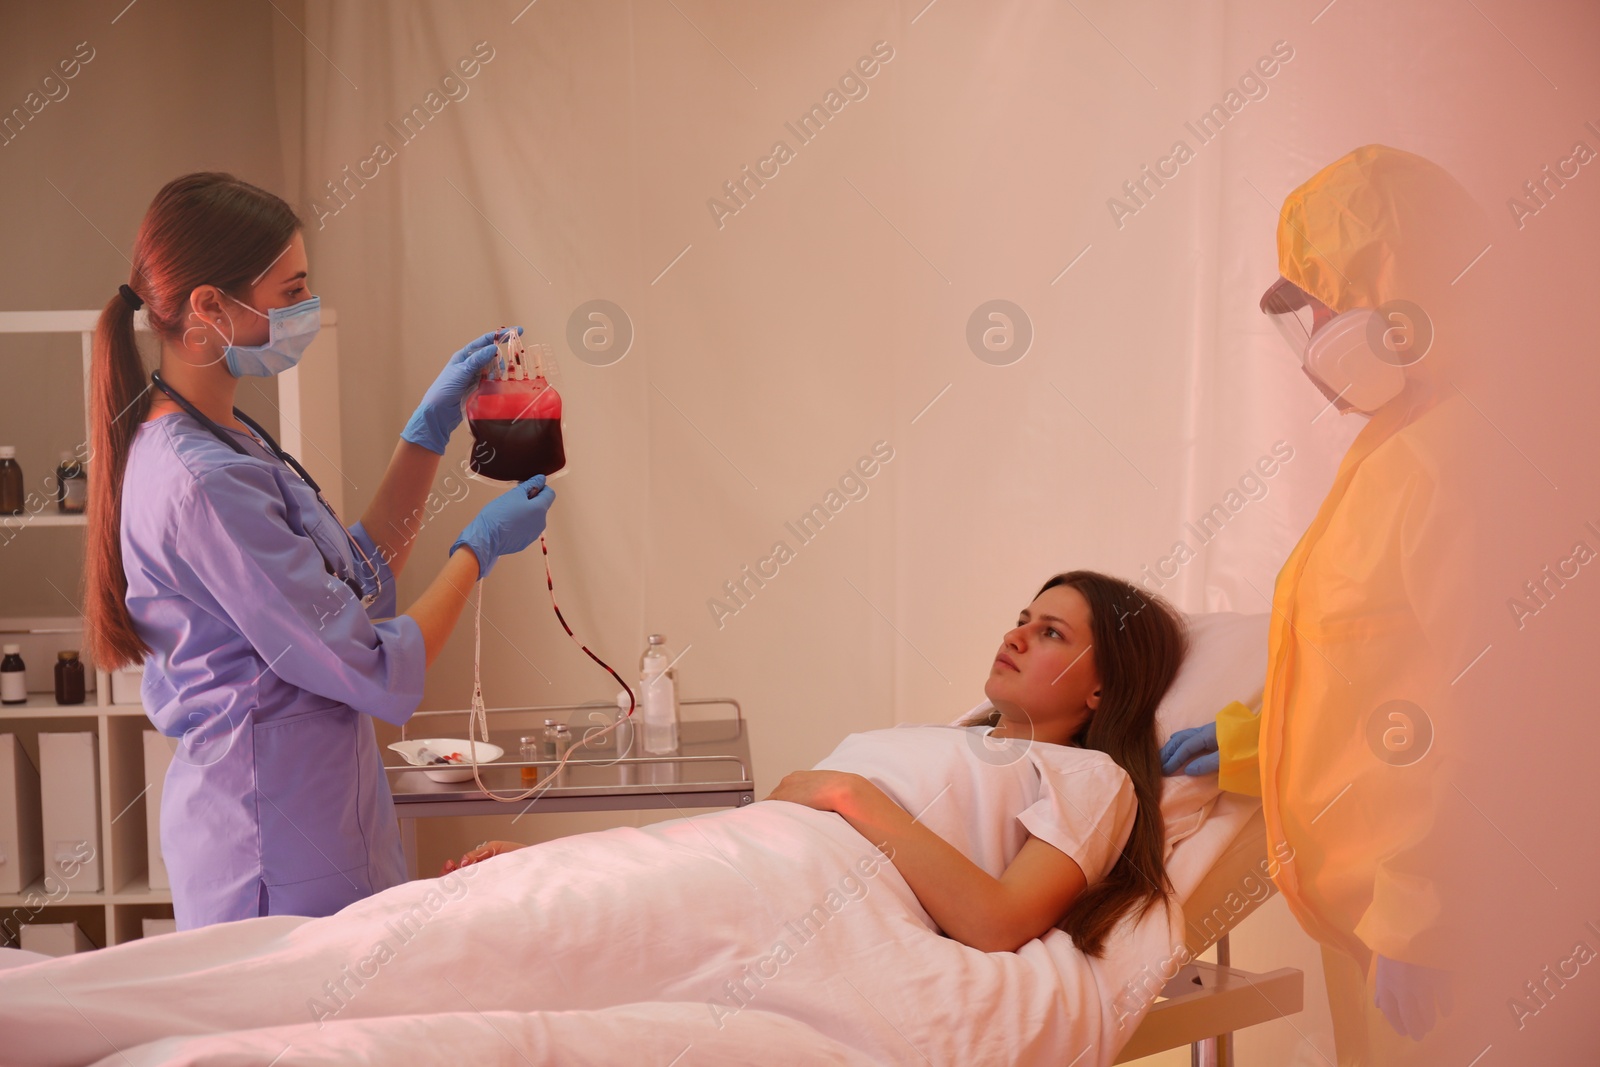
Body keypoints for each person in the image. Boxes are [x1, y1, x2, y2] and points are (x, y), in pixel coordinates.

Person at [84, 172, 556, 929]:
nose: (305, 310)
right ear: (209, 306)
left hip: (322, 815)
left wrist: (425, 435)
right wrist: (477, 549)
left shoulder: (231, 440)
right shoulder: (202, 481)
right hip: (269, 847)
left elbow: (354, 585)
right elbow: (367, 659)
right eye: (291, 290)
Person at [1160, 146, 1503, 1062]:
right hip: (1374, 933)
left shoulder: (1464, 460)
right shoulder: (1396, 447)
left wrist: (1423, 914)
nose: (1311, 339)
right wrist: (1253, 744)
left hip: (1453, 950)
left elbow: (1493, 701)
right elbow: (1367, 670)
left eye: (1319, 306)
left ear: (1396, 303)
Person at [448, 570, 1186, 958]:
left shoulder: (1094, 781)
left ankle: (557, 890)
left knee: (554, 920)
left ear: (1103, 686)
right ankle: (564, 880)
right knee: (609, 891)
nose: (1017, 634)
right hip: (768, 852)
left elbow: (999, 924)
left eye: (1050, 630)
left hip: (822, 889)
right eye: (1023, 617)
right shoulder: (949, 735)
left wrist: (850, 794)